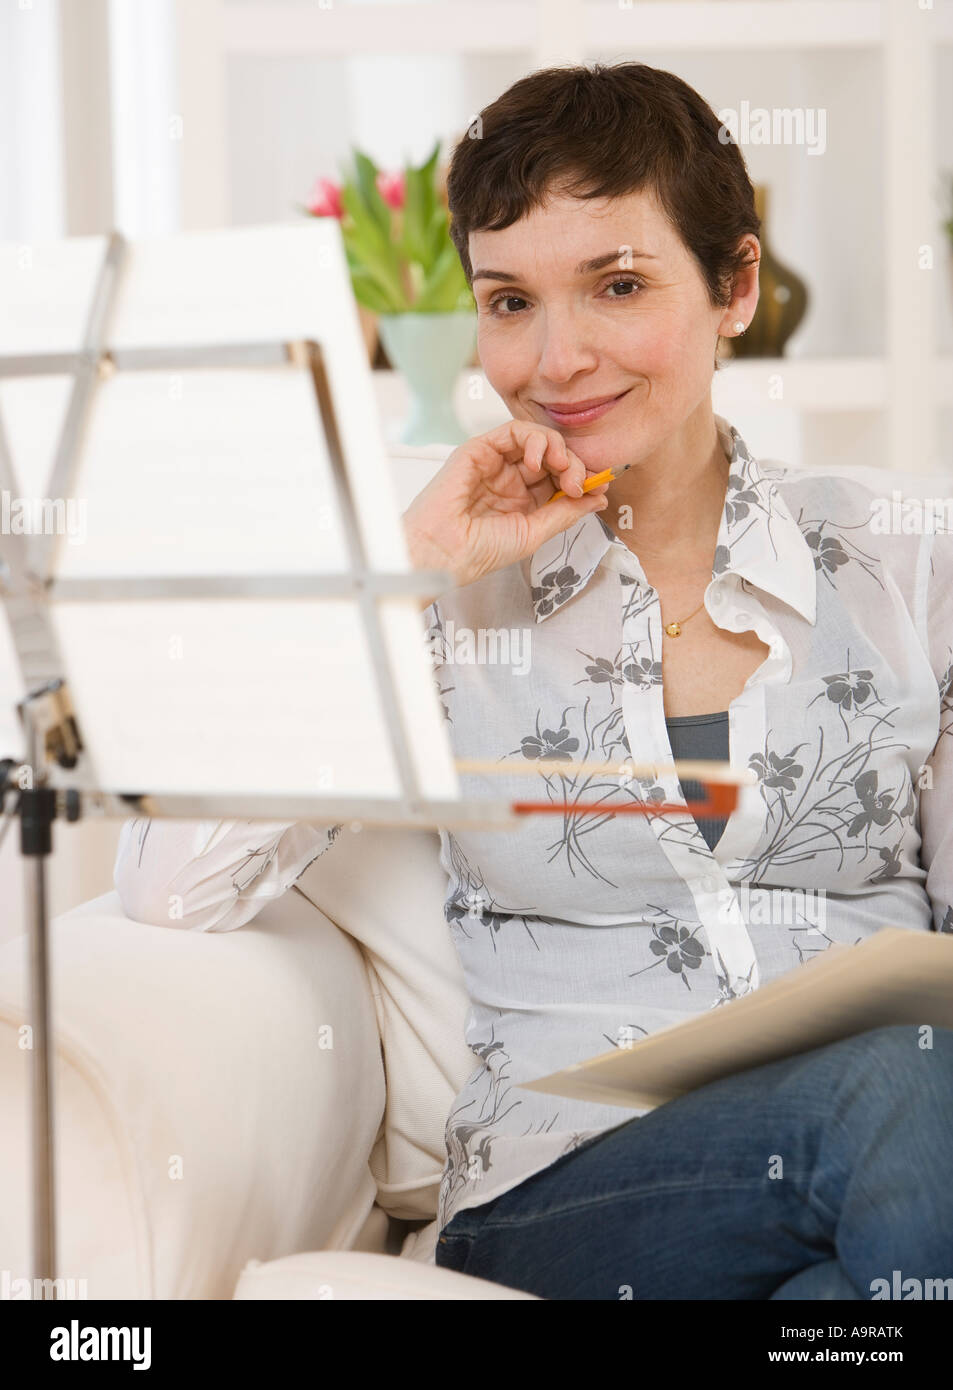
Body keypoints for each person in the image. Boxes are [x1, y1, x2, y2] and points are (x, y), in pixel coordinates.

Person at [114, 62, 953, 1301]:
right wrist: (405, 574)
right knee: (900, 1083)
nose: (556, 359)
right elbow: (167, 891)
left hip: (881, 1173)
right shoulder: (445, 599)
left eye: (617, 285)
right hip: (572, 1190)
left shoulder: (904, 559)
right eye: (509, 301)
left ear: (735, 286)